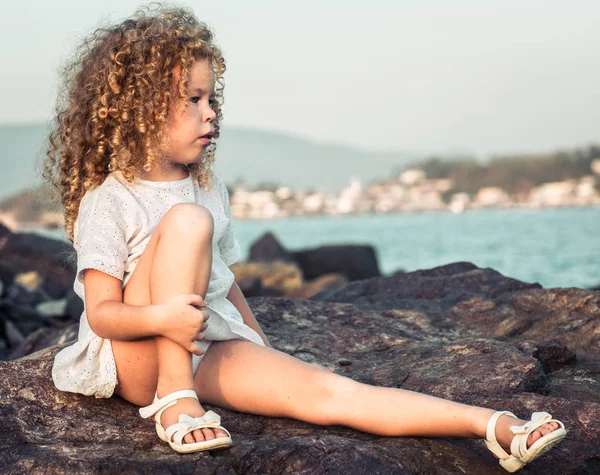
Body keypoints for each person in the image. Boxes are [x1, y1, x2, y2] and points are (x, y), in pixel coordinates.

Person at [43, 4, 566, 471]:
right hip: (139, 361)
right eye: (192, 99)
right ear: (139, 112)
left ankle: (495, 426)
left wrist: (261, 349)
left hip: (205, 345)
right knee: (187, 221)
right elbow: (102, 314)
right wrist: (164, 320)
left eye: (211, 98)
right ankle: (175, 400)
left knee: (330, 392)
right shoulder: (110, 199)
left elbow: (222, 285)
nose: (211, 113)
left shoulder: (208, 187)